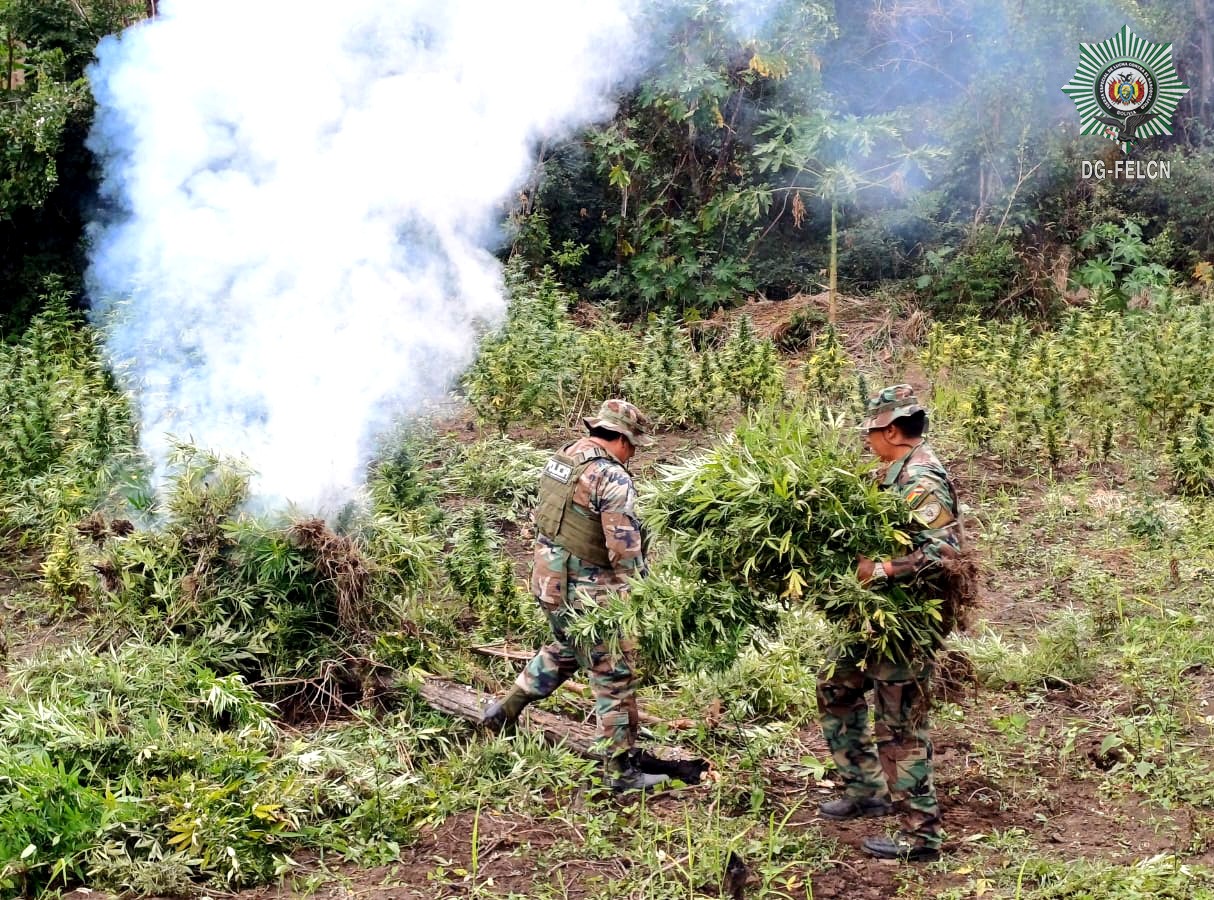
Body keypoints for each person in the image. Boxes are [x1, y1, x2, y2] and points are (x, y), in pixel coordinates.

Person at [481, 399, 667, 792]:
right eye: (632, 444)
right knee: (614, 672)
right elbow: (623, 548)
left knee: (567, 645)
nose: (632, 453)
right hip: (589, 592)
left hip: (549, 583)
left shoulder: (564, 458)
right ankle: (621, 772)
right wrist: (644, 594)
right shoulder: (611, 476)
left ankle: (504, 709)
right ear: (618, 438)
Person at [816, 384, 964, 862]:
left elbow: (945, 552)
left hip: (906, 623)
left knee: (900, 727)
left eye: (873, 432)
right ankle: (866, 789)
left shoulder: (921, 479)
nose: (868, 440)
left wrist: (880, 570)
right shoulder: (895, 473)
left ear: (895, 430)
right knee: (836, 687)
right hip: (876, 618)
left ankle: (922, 838)